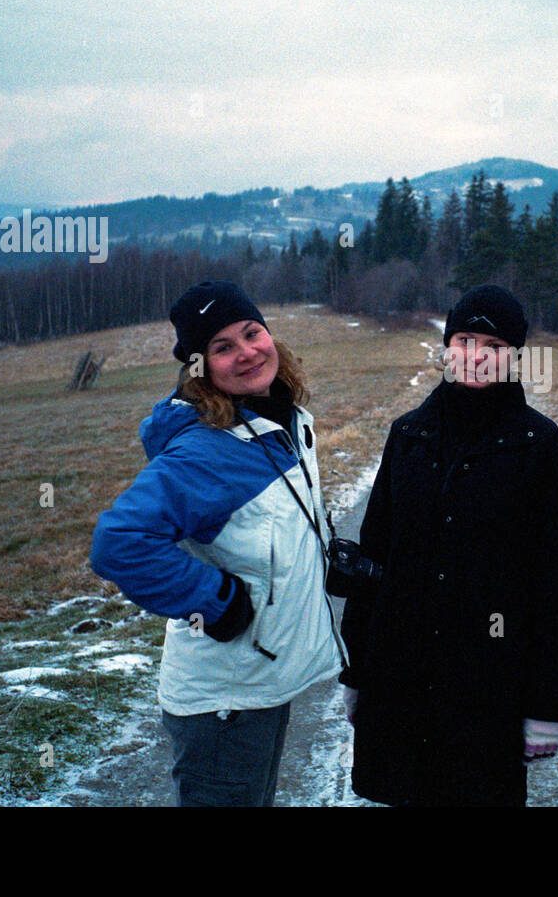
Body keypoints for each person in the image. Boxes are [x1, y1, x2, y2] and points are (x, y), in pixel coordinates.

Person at [90, 280, 345, 806]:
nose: (247, 352)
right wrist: (217, 601)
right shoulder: (208, 448)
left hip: (261, 680)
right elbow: (119, 542)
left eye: (252, 333)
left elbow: (264, 524)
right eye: (223, 347)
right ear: (200, 368)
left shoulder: (278, 418)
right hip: (225, 699)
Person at [338, 285, 558, 806]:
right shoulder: (408, 435)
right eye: (465, 339)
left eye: (493, 345)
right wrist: (357, 670)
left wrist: (547, 705)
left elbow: (555, 589)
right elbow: (372, 560)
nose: (475, 357)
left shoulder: (542, 450)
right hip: (399, 680)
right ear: (446, 347)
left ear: (515, 356)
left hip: (489, 688)